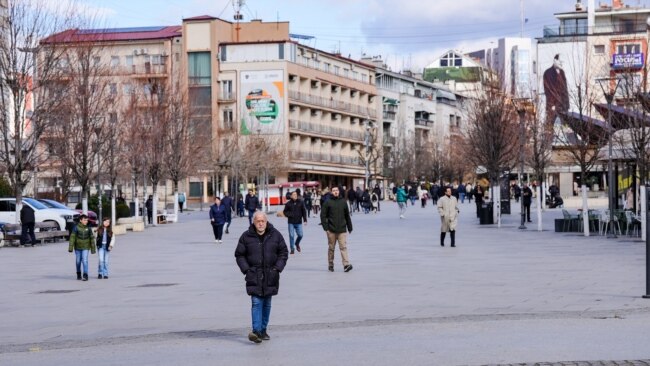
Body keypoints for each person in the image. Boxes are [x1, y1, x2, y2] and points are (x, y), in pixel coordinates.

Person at [235, 211, 289, 344]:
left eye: (262, 221)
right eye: (257, 221)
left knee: (267, 304)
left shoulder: (275, 235)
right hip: (254, 275)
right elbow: (239, 254)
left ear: (266, 222)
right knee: (256, 302)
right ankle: (256, 331)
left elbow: (283, 252)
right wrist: (246, 269)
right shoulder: (246, 236)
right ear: (253, 222)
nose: (260, 223)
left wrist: (277, 268)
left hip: (271, 275)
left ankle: (263, 329)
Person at [320, 186, 353, 272]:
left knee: (343, 247)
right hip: (331, 230)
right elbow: (322, 215)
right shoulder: (327, 202)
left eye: (337, 190)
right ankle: (330, 264)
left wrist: (349, 227)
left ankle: (346, 265)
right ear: (331, 192)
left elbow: (347, 215)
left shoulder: (343, 202)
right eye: (334, 191)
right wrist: (326, 228)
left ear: (339, 191)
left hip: (342, 229)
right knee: (331, 248)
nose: (335, 192)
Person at [68, 215, 96, 281]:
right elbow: (72, 237)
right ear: (80, 220)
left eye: (86, 220)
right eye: (84, 220)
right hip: (77, 247)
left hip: (86, 247)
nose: (86, 221)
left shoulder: (88, 228)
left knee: (85, 260)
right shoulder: (76, 228)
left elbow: (92, 238)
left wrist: (93, 249)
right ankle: (78, 273)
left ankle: (85, 275)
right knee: (78, 261)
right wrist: (70, 247)